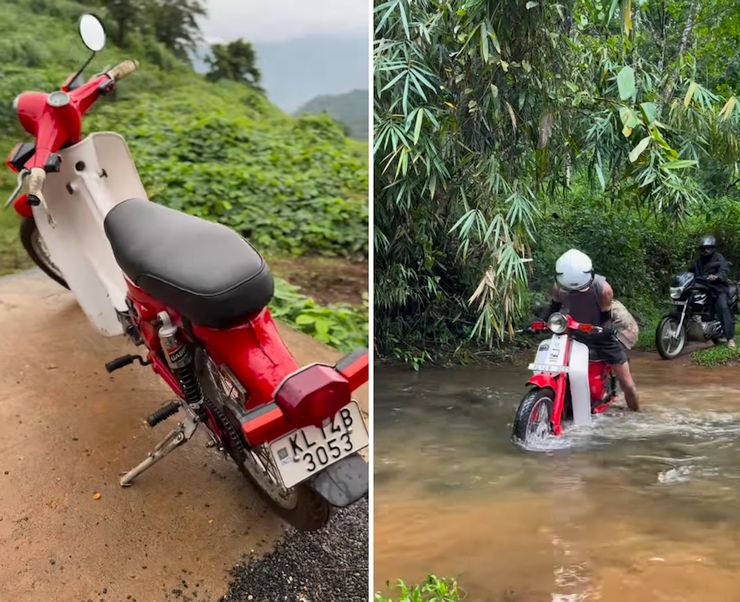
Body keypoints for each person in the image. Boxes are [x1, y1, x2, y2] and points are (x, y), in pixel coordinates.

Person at [548, 249, 640, 411]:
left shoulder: (603, 289)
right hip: (579, 323)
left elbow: (605, 320)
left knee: (628, 385)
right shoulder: (558, 287)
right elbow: (553, 310)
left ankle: (636, 414)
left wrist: (605, 331)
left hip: (609, 326)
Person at [688, 235, 736, 349]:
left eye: (709, 248)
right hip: (701, 288)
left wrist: (717, 276)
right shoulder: (698, 261)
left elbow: (724, 270)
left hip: (718, 288)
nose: (706, 250)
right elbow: (690, 272)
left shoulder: (718, 258)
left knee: (723, 307)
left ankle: (730, 338)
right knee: (689, 303)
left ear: (713, 248)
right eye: (704, 248)